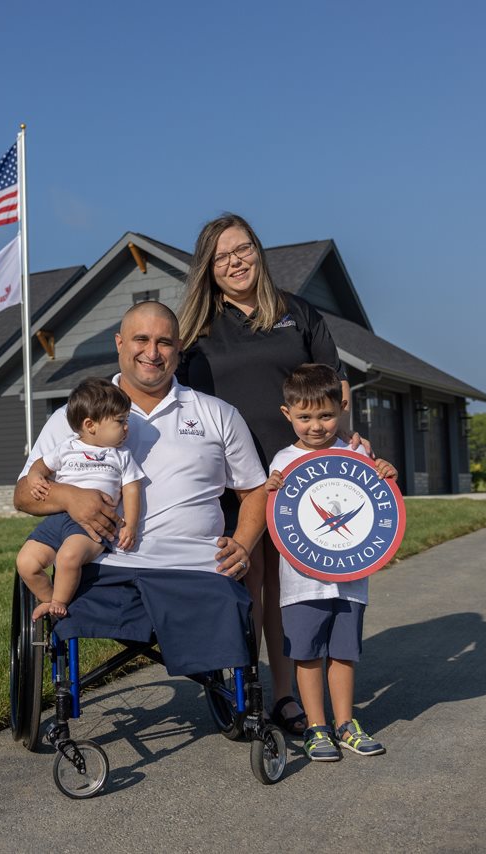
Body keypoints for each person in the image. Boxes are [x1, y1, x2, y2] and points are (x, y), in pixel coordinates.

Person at [177, 212, 366, 737]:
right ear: (208, 269)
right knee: (246, 585)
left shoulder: (298, 313)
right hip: (230, 478)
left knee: (287, 590)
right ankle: (242, 691)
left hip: (297, 479)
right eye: (221, 257)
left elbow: (333, 393)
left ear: (258, 251)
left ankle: (283, 697)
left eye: (243, 250)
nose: (235, 262)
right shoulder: (194, 332)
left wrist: (348, 443)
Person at [12, 301, 267, 678]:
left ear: (179, 349)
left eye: (164, 342)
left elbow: (256, 490)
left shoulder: (217, 413)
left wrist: (243, 544)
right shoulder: (77, 414)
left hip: (194, 566)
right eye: (141, 339)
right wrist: (68, 496)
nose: (152, 352)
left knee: (231, 599)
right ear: (119, 343)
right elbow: (22, 494)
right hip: (105, 566)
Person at [264, 363, 396, 761]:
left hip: (350, 579)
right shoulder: (283, 460)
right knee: (305, 653)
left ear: (341, 408)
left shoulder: (356, 454)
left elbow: (379, 498)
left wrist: (386, 472)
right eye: (304, 417)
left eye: (325, 415)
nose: (316, 426)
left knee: (344, 653)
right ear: (288, 415)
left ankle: (345, 724)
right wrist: (272, 488)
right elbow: (279, 513)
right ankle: (316, 727)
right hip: (302, 581)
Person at [17, 377, 144, 621]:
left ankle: (59, 604)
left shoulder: (121, 456)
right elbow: (41, 465)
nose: (127, 427)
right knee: (26, 562)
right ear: (90, 425)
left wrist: (131, 523)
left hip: (93, 528)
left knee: (68, 557)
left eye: (126, 420)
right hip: (58, 519)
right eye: (120, 421)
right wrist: (35, 477)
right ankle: (48, 600)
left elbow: (131, 490)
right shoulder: (67, 447)